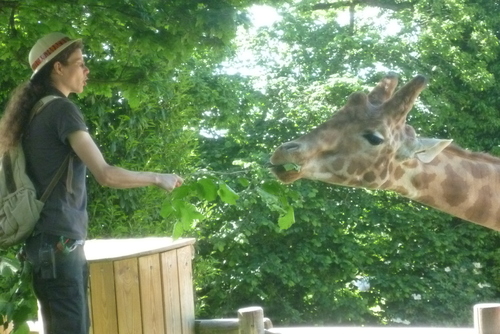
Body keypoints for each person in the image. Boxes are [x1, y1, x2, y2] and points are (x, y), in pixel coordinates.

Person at [0, 32, 183, 334]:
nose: (87, 71)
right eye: (80, 64)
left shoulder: (33, 114)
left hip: (40, 245)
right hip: (59, 244)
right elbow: (105, 173)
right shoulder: (61, 110)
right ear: (58, 68)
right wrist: (156, 178)